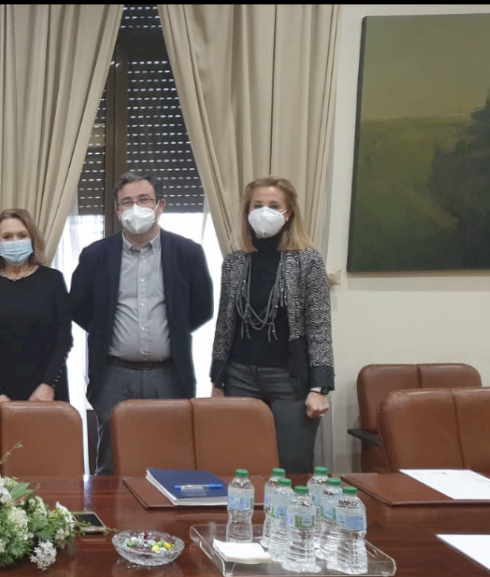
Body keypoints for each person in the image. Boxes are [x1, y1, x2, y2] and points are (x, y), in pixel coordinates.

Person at [71, 172, 214, 475]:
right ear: (117, 211)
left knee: (169, 457)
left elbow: (201, 309)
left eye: (144, 200)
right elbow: (80, 309)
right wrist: (109, 334)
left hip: (169, 373)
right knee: (112, 460)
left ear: (160, 205)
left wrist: (171, 332)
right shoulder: (95, 255)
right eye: (127, 202)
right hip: (113, 373)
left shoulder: (188, 253)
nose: (135, 208)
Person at [210, 176, 333, 474]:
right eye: (257, 205)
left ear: (288, 214)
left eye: (274, 206)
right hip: (239, 376)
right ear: (247, 212)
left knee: (292, 465)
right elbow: (224, 325)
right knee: (240, 464)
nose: (264, 211)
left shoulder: (307, 261)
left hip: (289, 380)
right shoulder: (234, 262)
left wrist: (320, 387)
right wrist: (217, 381)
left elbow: (319, 325)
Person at [0, 208, 72, 402]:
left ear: (32, 239)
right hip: (0, 393)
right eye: (7, 236)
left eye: (22, 235)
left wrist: (48, 385)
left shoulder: (53, 280)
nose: (15, 241)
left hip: (47, 391)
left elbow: (64, 338)